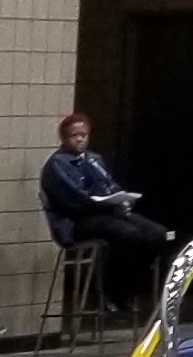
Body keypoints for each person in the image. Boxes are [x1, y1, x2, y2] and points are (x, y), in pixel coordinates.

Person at [40, 112, 172, 318]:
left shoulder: (95, 160)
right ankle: (110, 289)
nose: (80, 139)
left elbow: (108, 185)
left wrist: (122, 200)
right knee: (127, 234)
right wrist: (104, 205)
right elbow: (74, 198)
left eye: (84, 134)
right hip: (77, 221)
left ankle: (128, 285)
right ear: (65, 138)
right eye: (75, 135)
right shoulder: (58, 165)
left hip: (108, 212)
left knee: (157, 233)